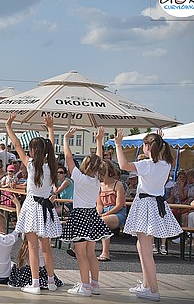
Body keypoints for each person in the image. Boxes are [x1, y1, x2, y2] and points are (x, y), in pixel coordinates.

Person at [115, 130, 182, 301]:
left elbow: (123, 165)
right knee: (142, 246)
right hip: (155, 204)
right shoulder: (166, 164)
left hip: (146, 205)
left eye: (145, 144)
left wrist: (118, 144)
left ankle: (154, 290)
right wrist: (160, 141)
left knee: (146, 251)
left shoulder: (147, 165)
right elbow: (163, 156)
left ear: (149, 146)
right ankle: (146, 285)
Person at [5, 113, 61, 295]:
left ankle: (35, 283)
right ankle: (51, 281)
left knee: (32, 247)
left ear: (33, 151)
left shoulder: (31, 165)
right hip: (46, 208)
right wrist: (50, 128)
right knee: (46, 248)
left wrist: (9, 126)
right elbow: (50, 147)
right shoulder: (51, 165)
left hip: (32, 207)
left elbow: (17, 145)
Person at [60, 127, 112, 297]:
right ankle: (94, 284)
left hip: (80, 215)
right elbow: (99, 160)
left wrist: (66, 139)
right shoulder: (97, 179)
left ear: (85, 165)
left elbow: (68, 158)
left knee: (80, 253)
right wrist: (99, 141)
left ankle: (85, 286)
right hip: (92, 215)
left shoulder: (79, 177)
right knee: (91, 253)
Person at [96, 160, 128, 261]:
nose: (101, 176)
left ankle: (105, 253)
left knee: (102, 222)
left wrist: (104, 215)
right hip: (105, 211)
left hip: (118, 213)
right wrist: (99, 213)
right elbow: (99, 204)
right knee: (87, 220)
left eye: (102, 173)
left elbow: (119, 205)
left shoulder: (118, 185)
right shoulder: (99, 186)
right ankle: (79, 249)